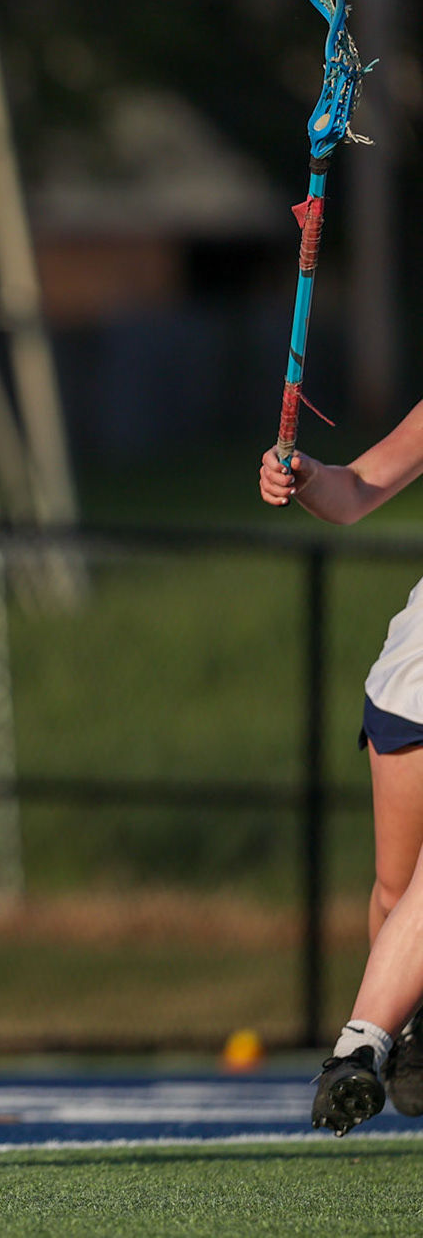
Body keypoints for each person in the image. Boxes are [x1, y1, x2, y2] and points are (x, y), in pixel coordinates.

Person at [261, 421, 423, 1134]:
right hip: (413, 681)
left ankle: (359, 1048)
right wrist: (306, 478)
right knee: (395, 888)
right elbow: (355, 489)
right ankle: (402, 1027)